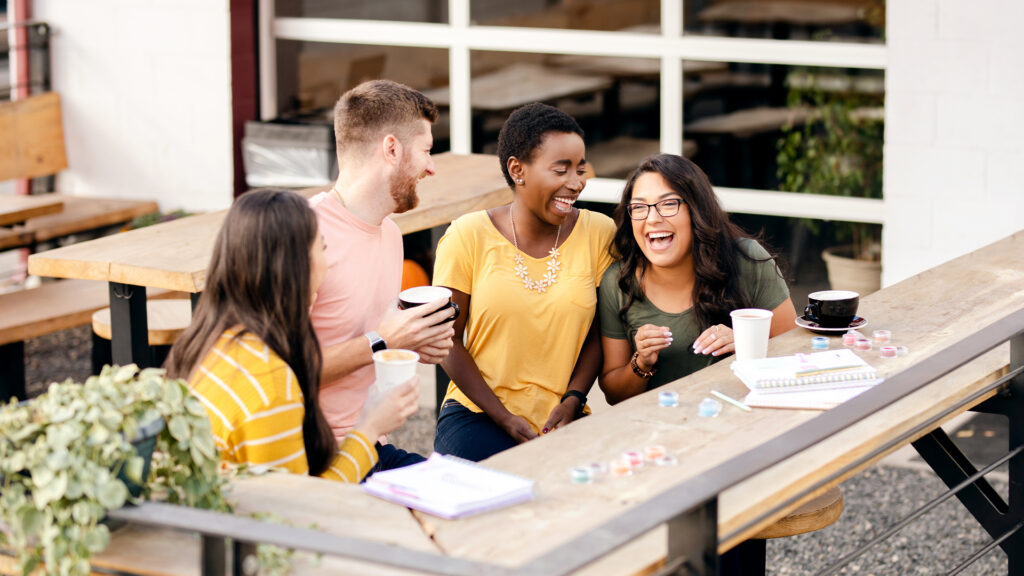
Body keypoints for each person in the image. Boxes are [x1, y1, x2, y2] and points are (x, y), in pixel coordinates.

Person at [165, 189, 419, 483]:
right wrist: (370, 426)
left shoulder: (207, 342)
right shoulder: (270, 383)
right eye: (322, 248)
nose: (328, 264)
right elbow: (306, 509)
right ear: (294, 267)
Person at [432, 103, 616, 461]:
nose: (576, 183)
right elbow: (448, 339)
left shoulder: (599, 232)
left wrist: (575, 398)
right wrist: (502, 416)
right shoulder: (467, 236)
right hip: (477, 413)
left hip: (562, 419)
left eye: (580, 169)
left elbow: (601, 330)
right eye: (561, 170)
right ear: (518, 170)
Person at [309, 80, 456, 471]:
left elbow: (367, 340)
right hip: (313, 455)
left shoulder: (391, 234)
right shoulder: (305, 235)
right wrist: (384, 340)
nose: (432, 167)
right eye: (426, 150)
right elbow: (282, 370)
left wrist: (411, 345)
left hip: (371, 444)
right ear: (391, 149)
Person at [597, 154, 798, 404]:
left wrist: (747, 345)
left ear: (697, 209)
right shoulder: (617, 282)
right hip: (658, 433)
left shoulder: (747, 260)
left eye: (668, 204)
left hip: (744, 423)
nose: (652, 218)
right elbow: (614, 396)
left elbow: (796, 354)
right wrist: (641, 363)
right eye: (638, 207)